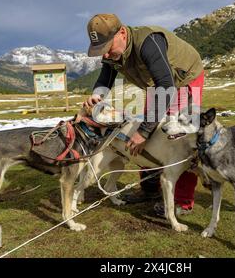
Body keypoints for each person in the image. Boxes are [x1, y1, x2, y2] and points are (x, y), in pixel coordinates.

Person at [84, 13, 204, 216]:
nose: (104, 55)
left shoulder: (149, 42)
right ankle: (150, 190)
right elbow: (107, 75)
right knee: (146, 130)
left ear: (122, 33)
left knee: (177, 138)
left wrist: (144, 131)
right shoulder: (113, 53)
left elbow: (167, 87)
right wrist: (97, 95)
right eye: (100, 50)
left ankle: (182, 201)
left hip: (182, 81)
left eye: (107, 48)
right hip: (156, 85)